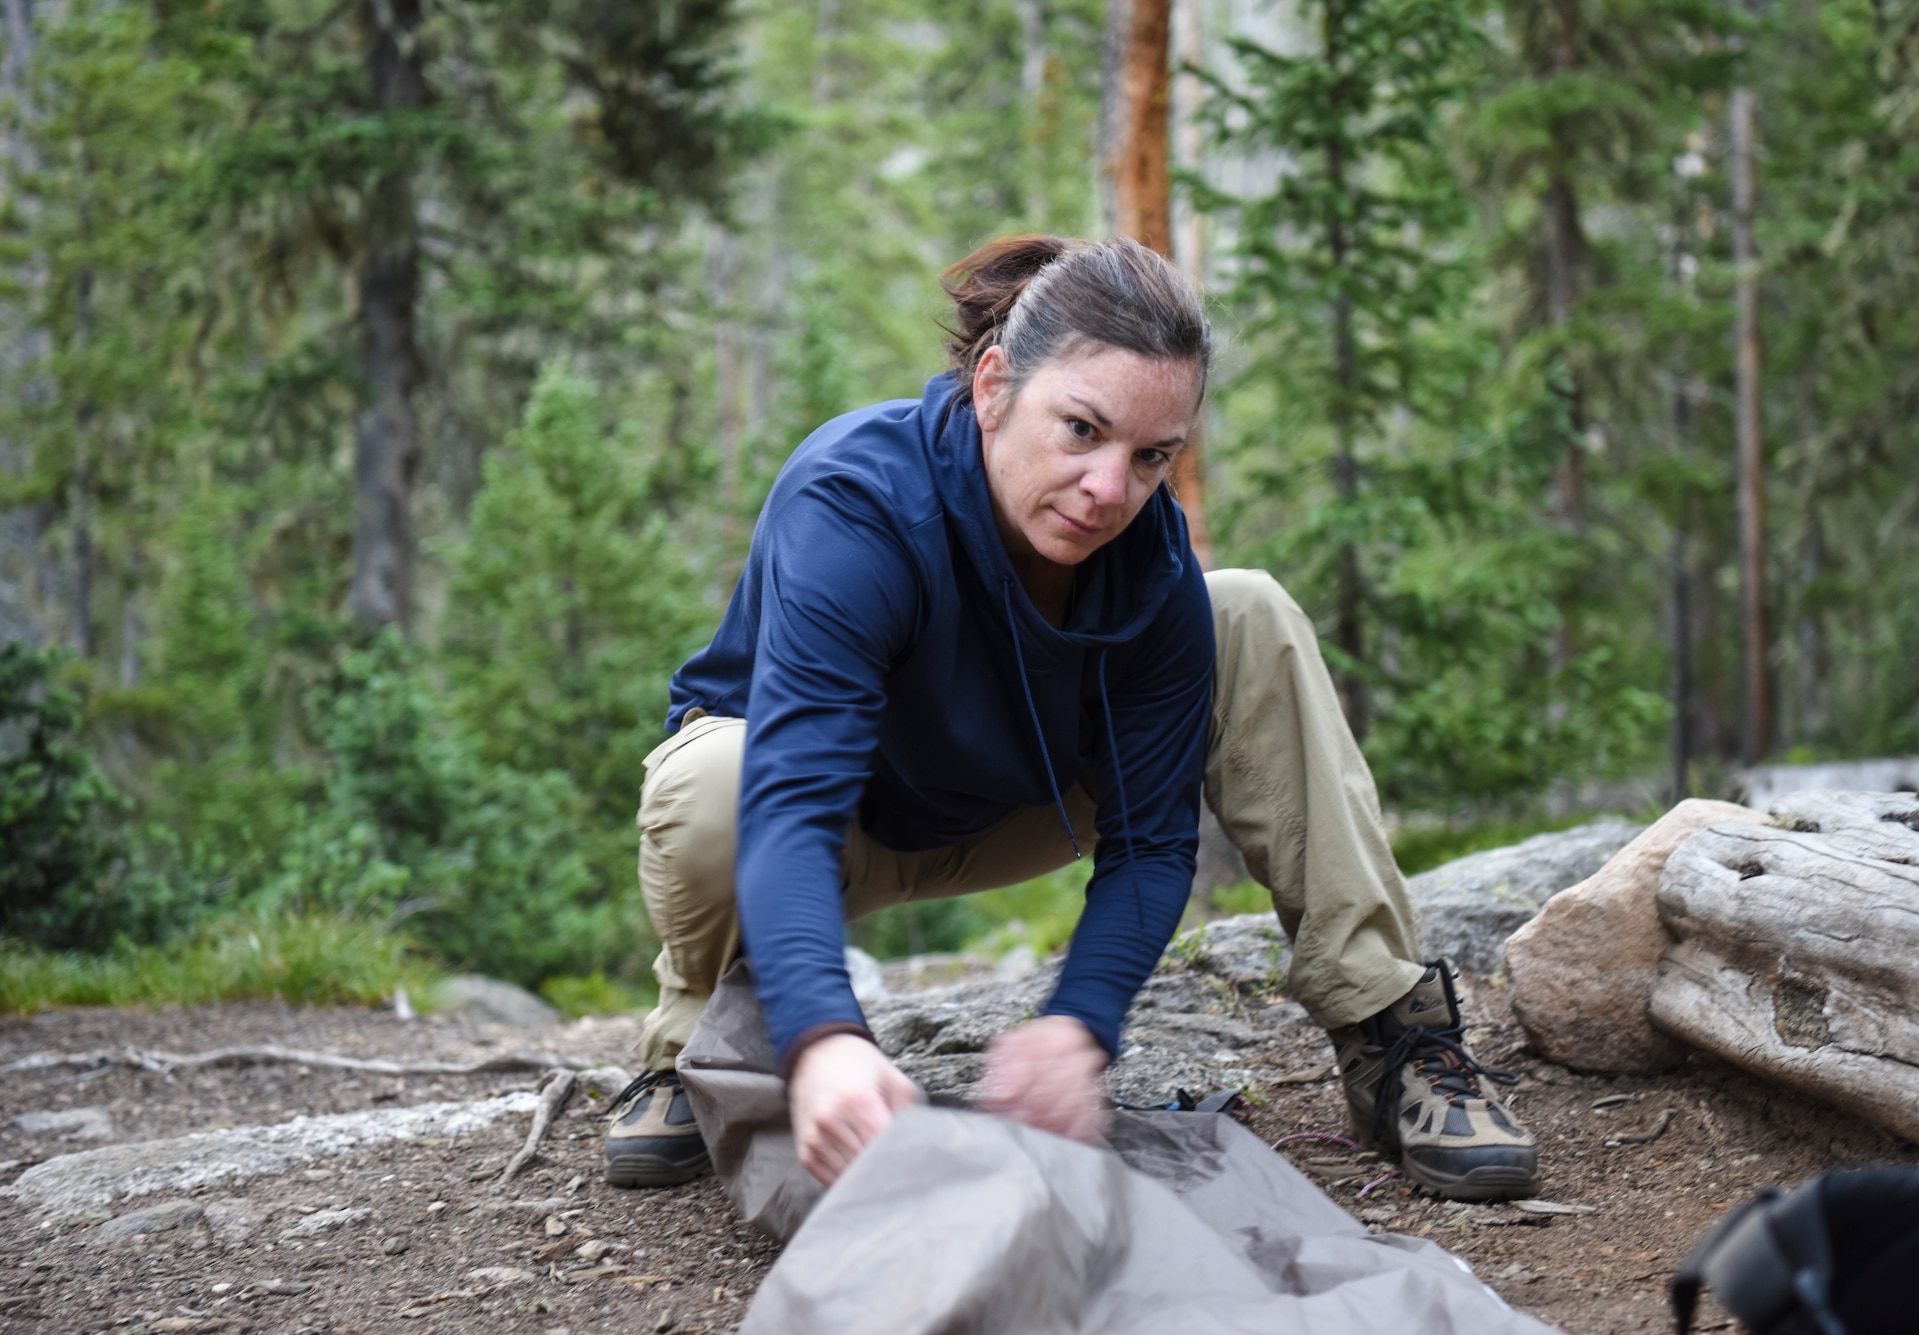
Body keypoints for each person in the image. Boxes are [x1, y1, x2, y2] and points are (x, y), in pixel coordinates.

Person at [601, 235, 1540, 1203]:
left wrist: (1078, 1022)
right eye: (1081, 430)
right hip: (825, 824)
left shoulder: (1150, 567)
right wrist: (828, 1038)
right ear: (993, 386)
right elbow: (791, 806)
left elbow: (1148, 843)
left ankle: (1395, 1038)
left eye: (1149, 457)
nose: (1108, 491)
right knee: (717, 780)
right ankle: (694, 1041)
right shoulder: (858, 501)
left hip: (1023, 807)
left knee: (1247, 610)